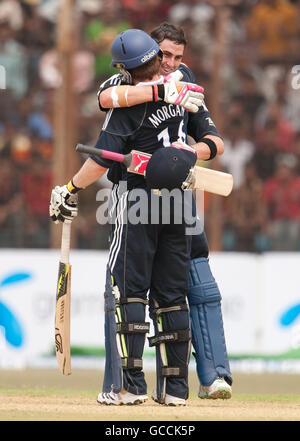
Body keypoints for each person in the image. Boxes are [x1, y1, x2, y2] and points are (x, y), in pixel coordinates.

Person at [50, 29, 205, 406]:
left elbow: (102, 157)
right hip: (180, 202)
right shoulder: (186, 88)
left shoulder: (128, 104)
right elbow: (108, 94)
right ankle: (175, 391)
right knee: (171, 295)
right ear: (156, 55)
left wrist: (69, 190)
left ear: (124, 67)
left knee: (127, 291)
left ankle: (129, 387)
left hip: (137, 199)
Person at [97, 23, 232, 400]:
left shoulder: (185, 81)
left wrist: (186, 154)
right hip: (140, 190)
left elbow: (214, 141)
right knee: (147, 290)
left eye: (177, 57)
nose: (170, 64)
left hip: (173, 198)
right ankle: (162, 385)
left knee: (150, 289)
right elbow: (106, 96)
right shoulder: (128, 85)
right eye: (163, 56)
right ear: (147, 53)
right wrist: (159, 89)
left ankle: (162, 385)